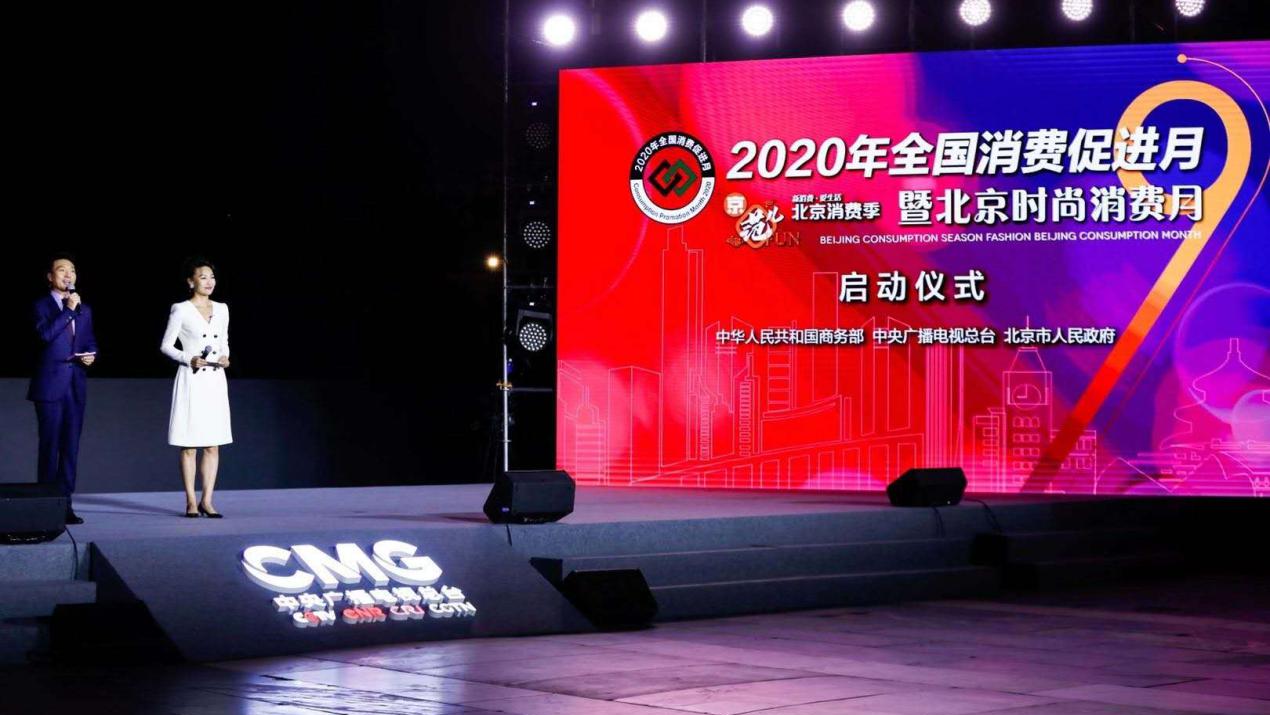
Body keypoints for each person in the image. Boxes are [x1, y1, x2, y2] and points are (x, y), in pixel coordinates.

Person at [160, 258, 232, 518]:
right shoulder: (181, 309)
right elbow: (166, 345)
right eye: (203, 277)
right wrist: (188, 358)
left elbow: (224, 341)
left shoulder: (222, 308)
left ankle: (207, 501)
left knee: (213, 445)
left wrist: (225, 356)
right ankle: (191, 501)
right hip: (192, 378)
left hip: (215, 380)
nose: (209, 281)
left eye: (212, 277)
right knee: (189, 445)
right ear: (191, 282)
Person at [29, 253, 97, 524]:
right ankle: (45, 505)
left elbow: (89, 340)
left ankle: (65, 504)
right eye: (61, 270)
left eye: (72, 270)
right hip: (49, 385)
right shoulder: (41, 305)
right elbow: (45, 335)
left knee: (70, 447)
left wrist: (91, 354)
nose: (68, 275)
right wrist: (68, 310)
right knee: (50, 446)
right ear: (50, 276)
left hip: (75, 384)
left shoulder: (85, 308)